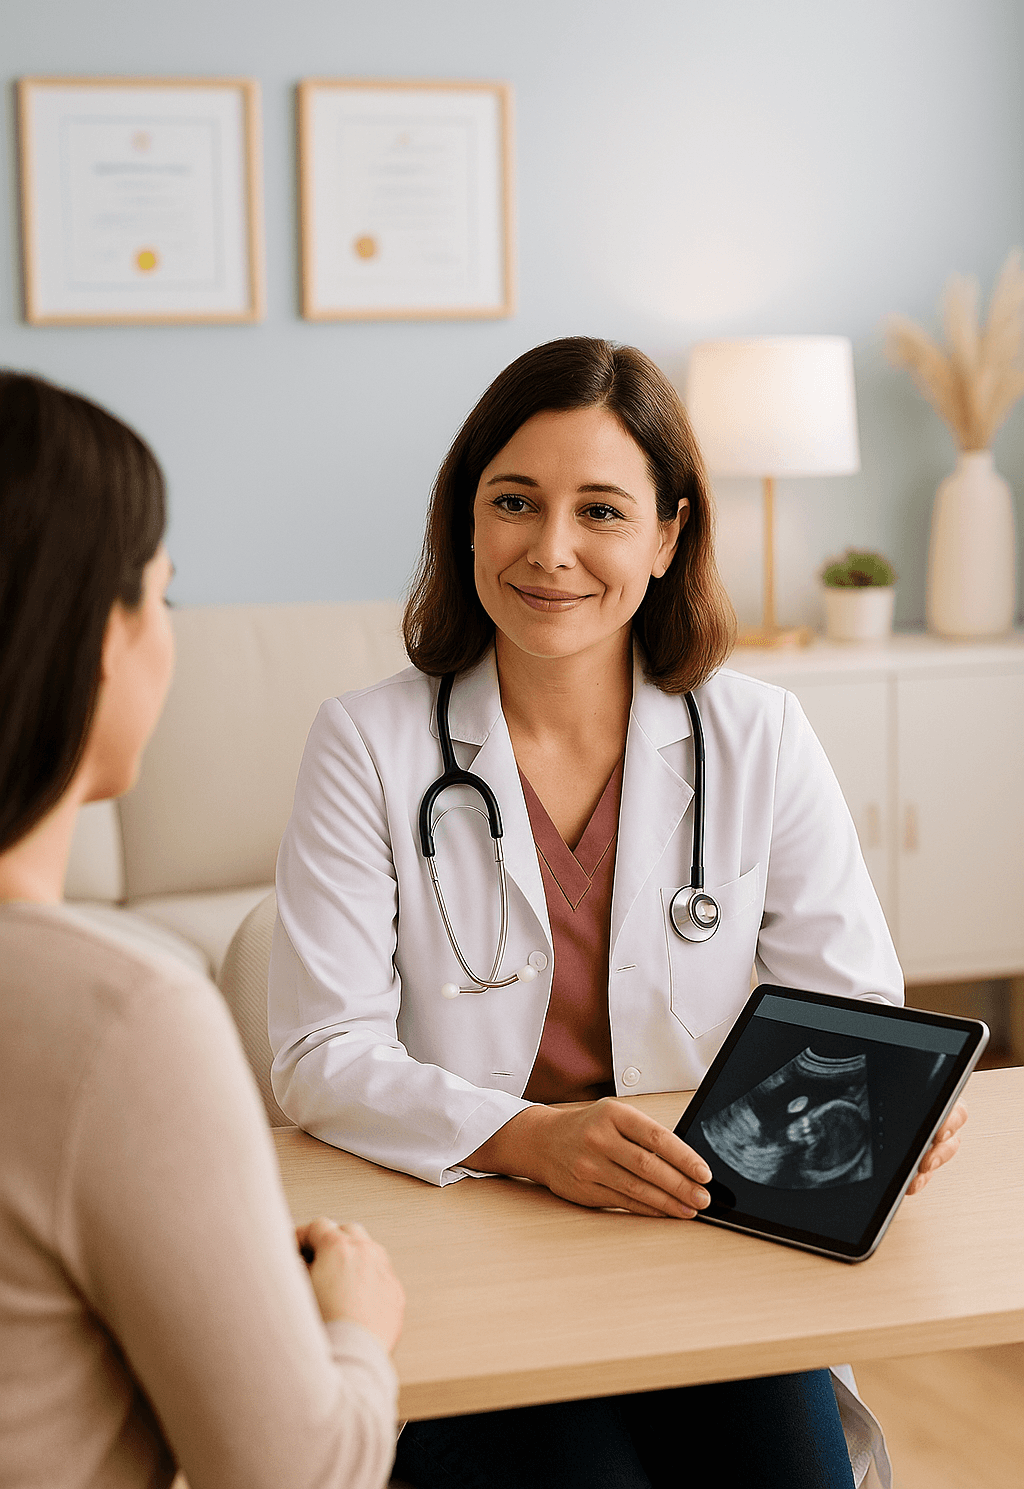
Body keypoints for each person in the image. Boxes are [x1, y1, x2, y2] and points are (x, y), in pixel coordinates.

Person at [269, 337, 965, 1489]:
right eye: (514, 503)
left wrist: (890, 1100)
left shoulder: (757, 735)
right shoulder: (368, 745)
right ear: (467, 520)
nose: (551, 551)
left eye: (600, 509)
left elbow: (848, 1005)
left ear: (666, 536)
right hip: (479, 1239)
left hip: (705, 1241)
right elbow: (318, 1050)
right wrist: (532, 1139)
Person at [0, 372, 405, 1489]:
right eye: (160, 598)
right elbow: (297, 1475)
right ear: (95, 636)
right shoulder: (118, 1024)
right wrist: (354, 1324)